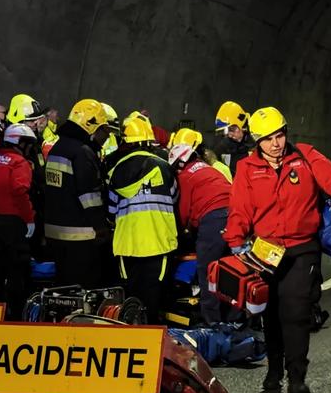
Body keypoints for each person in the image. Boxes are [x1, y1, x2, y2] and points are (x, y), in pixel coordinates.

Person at [223, 106, 331, 393]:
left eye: (280, 135)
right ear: (257, 142)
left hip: (302, 249)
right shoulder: (247, 169)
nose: (277, 143)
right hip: (264, 251)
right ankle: (274, 369)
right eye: (269, 138)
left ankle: (297, 378)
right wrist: (236, 242)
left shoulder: (305, 156)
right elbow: (240, 209)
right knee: (270, 313)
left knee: (296, 313)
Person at [108, 111, 178, 323]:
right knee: (153, 298)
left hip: (127, 245)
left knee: (130, 298)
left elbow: (111, 210)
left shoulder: (116, 170)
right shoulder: (165, 167)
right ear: (149, 140)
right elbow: (174, 199)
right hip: (158, 243)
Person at [167, 128, 232, 324]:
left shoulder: (185, 177)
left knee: (207, 271)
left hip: (213, 220)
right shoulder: (209, 169)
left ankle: (211, 322)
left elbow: (183, 213)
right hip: (234, 216)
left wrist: (178, 233)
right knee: (229, 271)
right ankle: (233, 318)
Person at [44, 99, 111, 287]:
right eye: (104, 130)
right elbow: (90, 196)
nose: (105, 136)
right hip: (80, 236)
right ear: (91, 126)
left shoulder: (58, 148)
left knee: (63, 287)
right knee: (84, 287)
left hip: (55, 232)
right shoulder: (82, 152)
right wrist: (100, 227)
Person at [0, 124, 37, 320]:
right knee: (16, 273)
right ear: (19, 143)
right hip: (13, 224)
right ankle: (16, 316)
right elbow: (20, 191)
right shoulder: (20, 163)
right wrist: (29, 219)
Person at [6, 94, 48, 261]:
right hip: (17, 214)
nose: (36, 124)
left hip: (35, 208)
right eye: (32, 121)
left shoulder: (35, 144)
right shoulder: (3, 145)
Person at [214, 101, 254, 176]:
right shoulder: (223, 148)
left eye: (232, 130)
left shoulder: (258, 143)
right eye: (227, 131)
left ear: (242, 125)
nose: (230, 135)